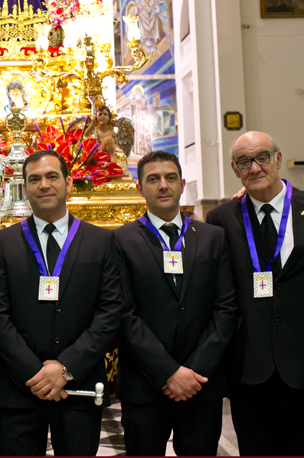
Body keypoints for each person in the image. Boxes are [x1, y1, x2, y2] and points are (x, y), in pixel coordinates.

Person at [205, 131, 304, 455]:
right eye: (244, 161)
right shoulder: (221, 219)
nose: (254, 167)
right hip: (251, 370)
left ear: (278, 159)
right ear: (235, 169)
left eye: (262, 157)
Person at [0, 149, 122, 456]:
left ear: (69, 183)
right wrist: (36, 372)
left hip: (80, 386)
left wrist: (66, 368)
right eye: (34, 179)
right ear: (24, 188)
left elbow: (110, 312)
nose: (43, 185)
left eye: (51, 176)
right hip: (21, 388)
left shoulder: (100, 241)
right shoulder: (4, 242)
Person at [115, 151, 236, 456]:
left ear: (182, 185)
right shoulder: (120, 241)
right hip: (144, 384)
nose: (163, 185)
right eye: (153, 179)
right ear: (139, 188)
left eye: (170, 178)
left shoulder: (213, 237)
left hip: (201, 383)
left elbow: (225, 309)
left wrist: (193, 371)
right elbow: (123, 314)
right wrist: (168, 371)